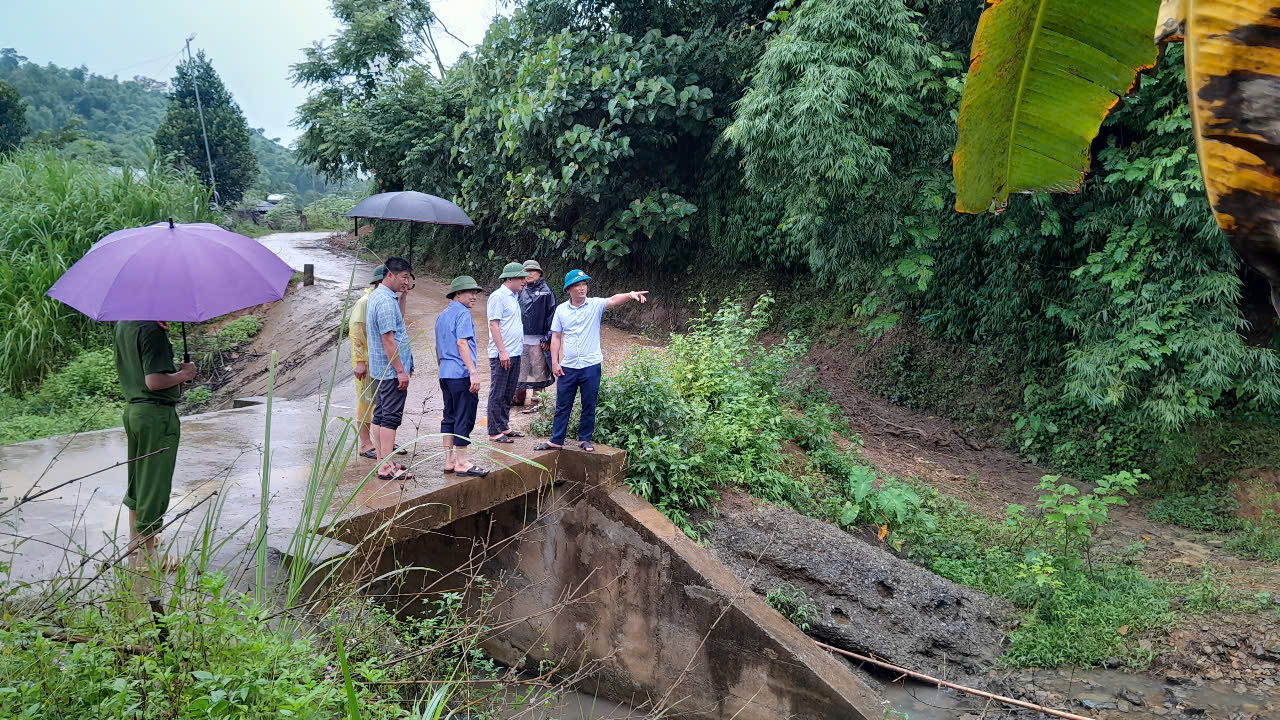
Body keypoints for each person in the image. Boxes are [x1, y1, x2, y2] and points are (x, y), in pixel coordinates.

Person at [114, 319, 197, 569]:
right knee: (154, 483)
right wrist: (184, 374)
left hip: (135, 411)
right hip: (155, 416)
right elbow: (154, 381)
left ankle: (135, 542)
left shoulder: (124, 323)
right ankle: (147, 556)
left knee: (138, 479)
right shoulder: (151, 329)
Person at [535, 270, 647, 453]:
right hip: (568, 366)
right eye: (578, 285)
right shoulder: (561, 310)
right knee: (563, 405)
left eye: (584, 284)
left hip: (591, 365)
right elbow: (556, 337)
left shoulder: (595, 304)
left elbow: (612, 300)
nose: (582, 288)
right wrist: (555, 362)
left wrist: (630, 295)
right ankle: (556, 440)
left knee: (589, 404)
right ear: (569, 289)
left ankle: (585, 439)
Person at [366, 256, 415, 481]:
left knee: (380, 415)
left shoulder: (381, 296)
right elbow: (388, 339)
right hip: (390, 372)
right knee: (390, 418)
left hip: (380, 370)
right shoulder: (385, 301)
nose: (406, 281)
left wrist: (404, 294)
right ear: (390, 275)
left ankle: (381, 461)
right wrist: (400, 370)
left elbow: (398, 320)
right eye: (403, 277)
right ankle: (387, 467)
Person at [435, 276, 489, 477]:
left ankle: (449, 460)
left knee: (449, 415)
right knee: (463, 416)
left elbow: (437, 347)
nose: (474, 296)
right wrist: (473, 372)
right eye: (470, 292)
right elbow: (462, 343)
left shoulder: (442, 315)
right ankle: (462, 462)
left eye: (475, 292)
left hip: (445, 374)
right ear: (458, 294)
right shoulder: (463, 314)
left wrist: (443, 369)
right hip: (460, 374)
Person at [486, 262, 529, 443]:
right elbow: (493, 324)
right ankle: (494, 431)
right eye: (521, 278)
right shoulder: (498, 297)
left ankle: (504, 426)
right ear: (509, 278)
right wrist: (502, 351)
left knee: (508, 391)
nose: (524, 282)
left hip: (515, 352)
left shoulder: (514, 296)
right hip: (502, 354)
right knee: (498, 392)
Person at [349, 265, 384, 459]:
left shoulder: (382, 300)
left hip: (379, 359)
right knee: (365, 400)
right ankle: (365, 443)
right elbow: (356, 332)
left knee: (379, 400)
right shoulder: (364, 303)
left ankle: (380, 440)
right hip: (367, 359)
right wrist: (361, 361)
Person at [514, 259, 556, 413]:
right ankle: (518, 398)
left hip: (539, 339)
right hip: (521, 338)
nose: (529, 274)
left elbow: (552, 315)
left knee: (539, 370)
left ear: (539, 273)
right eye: (526, 271)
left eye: (533, 271)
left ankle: (536, 401)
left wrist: (548, 337)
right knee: (520, 368)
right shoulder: (519, 290)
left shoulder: (546, 291)